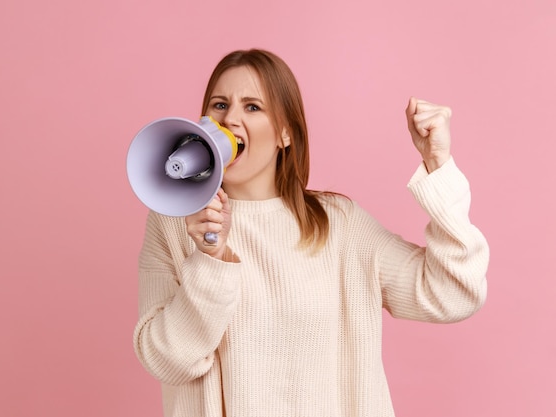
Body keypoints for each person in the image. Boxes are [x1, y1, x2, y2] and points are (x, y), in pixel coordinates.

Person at [132, 48, 489, 417]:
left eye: (252, 107)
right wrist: (209, 259)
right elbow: (166, 362)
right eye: (220, 105)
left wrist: (438, 163)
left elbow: (454, 292)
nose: (230, 120)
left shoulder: (339, 225)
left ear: (285, 133)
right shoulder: (174, 225)